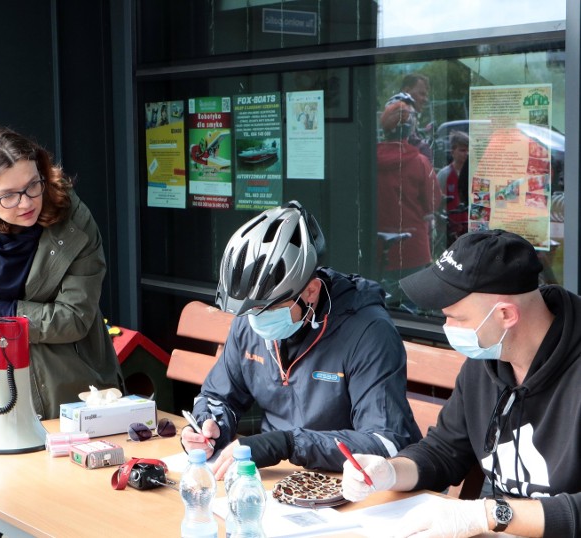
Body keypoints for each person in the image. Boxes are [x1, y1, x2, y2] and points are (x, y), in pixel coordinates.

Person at [0, 126, 125, 538]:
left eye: (33, 185)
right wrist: (26, 319)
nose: (26, 202)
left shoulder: (74, 219)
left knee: (69, 514)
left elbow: (74, 317)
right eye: (8, 195)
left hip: (70, 386)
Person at [342, 230, 581, 537]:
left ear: (506, 314)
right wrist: (390, 471)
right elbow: (444, 450)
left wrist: (491, 513)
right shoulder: (487, 362)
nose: (447, 328)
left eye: (456, 318)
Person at [180, 201, 421, 479]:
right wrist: (210, 426)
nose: (255, 319)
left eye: (267, 308)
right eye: (248, 311)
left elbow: (386, 442)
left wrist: (286, 444)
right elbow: (217, 395)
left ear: (310, 291)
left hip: (352, 483)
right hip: (277, 478)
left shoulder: (368, 333)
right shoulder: (249, 323)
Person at [376, 100, 444, 289]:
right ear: (409, 131)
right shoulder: (420, 162)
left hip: (378, 247)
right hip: (413, 247)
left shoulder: (368, 161)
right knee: (411, 307)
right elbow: (433, 202)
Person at [387, 73, 432, 159]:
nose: (425, 100)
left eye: (426, 95)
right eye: (422, 94)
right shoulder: (417, 147)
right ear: (407, 91)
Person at [436, 131, 470, 247]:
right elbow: (437, 203)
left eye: (468, 150)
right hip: (451, 229)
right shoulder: (444, 174)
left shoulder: (474, 173)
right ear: (453, 152)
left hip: (469, 228)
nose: (466, 154)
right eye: (462, 150)